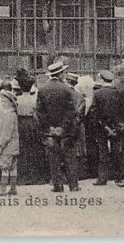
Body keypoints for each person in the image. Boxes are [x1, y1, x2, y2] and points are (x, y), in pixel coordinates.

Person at [35, 60, 80, 193]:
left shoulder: (42, 89)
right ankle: (73, 185)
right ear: (60, 74)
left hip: (50, 130)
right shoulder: (67, 89)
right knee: (69, 157)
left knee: (53, 157)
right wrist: (63, 127)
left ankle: (57, 185)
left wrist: (49, 128)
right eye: (64, 72)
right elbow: (71, 111)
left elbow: (40, 112)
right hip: (66, 130)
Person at [14, 69, 46, 184]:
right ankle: (36, 175)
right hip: (33, 123)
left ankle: (24, 176)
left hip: (21, 123)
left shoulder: (17, 99)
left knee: (23, 150)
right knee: (35, 149)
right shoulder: (35, 99)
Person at [0, 81, 21, 195]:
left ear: (10, 102)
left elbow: (5, 134)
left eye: (4, 100)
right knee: (13, 167)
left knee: (4, 167)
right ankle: (13, 187)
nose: (2, 102)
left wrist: (0, 146)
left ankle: (3, 189)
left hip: (7, 146)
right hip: (14, 145)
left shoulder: (7, 115)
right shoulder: (13, 113)